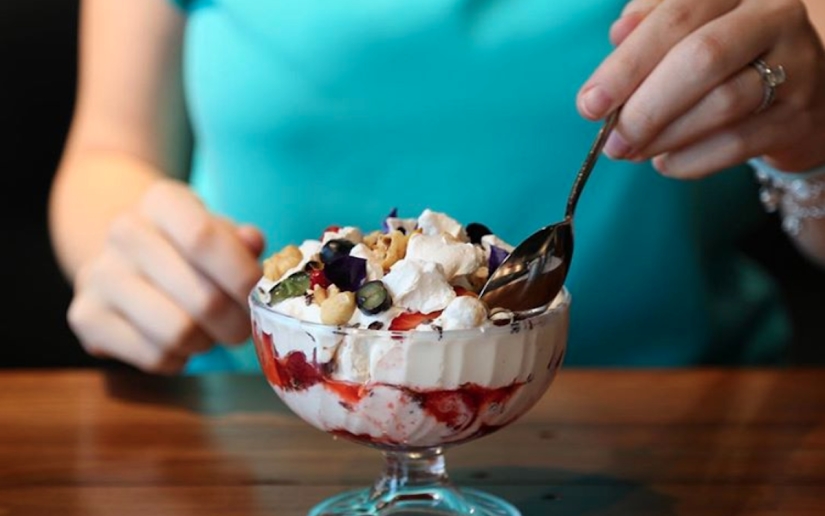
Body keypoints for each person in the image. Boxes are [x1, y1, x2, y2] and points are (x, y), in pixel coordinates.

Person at [50, 0, 825, 374]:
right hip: (251, 431)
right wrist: (132, 252)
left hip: (678, 440)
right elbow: (108, 152)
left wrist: (809, 142)